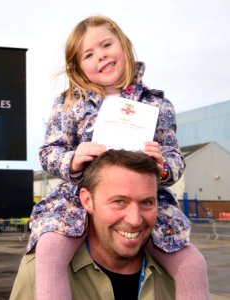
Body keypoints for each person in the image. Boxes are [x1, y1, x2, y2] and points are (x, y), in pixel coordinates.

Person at [29, 15, 208, 300]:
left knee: (192, 263)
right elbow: (49, 152)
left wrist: (162, 167)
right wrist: (73, 159)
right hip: (79, 197)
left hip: (145, 200)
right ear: (78, 66)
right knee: (49, 249)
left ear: (123, 45)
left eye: (106, 45)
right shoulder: (68, 103)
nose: (100, 56)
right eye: (89, 54)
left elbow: (175, 155)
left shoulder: (157, 103)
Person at [10, 150, 175, 299]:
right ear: (87, 201)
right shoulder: (38, 274)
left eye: (147, 202)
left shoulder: (176, 278)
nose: (135, 219)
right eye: (119, 202)